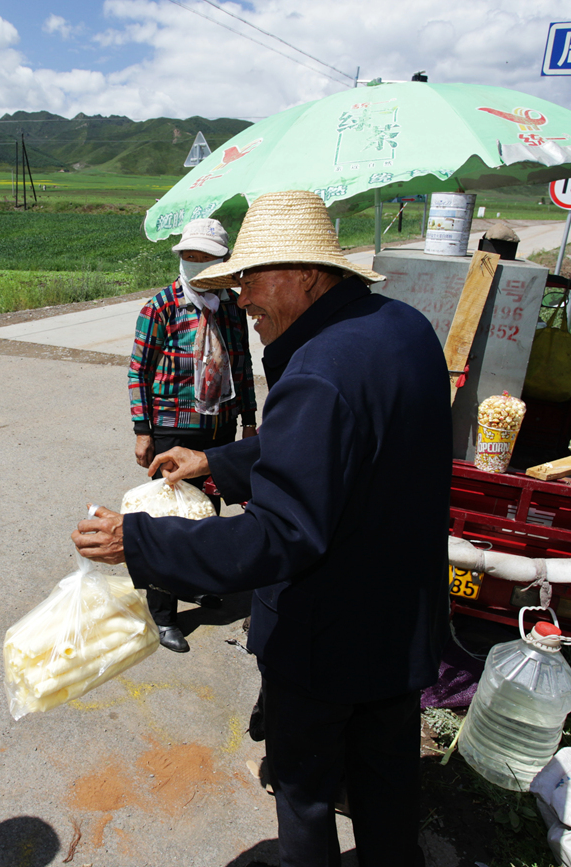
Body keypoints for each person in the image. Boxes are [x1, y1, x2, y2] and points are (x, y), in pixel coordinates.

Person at [76, 191, 452, 867]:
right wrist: (216, 461)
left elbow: (278, 535)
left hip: (328, 637)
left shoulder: (318, 369)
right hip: (400, 625)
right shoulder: (404, 330)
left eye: (249, 279)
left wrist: (139, 541)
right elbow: (337, 447)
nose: (241, 299)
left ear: (305, 274)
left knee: (305, 796)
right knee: (387, 784)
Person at [128, 217, 258, 652]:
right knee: (169, 519)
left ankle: (198, 581)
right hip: (171, 428)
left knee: (207, 514)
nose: (197, 263)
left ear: (223, 261)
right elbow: (138, 372)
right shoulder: (162, 307)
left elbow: (241, 366)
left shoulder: (234, 306)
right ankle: (162, 614)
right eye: (190, 256)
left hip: (219, 430)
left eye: (206, 257)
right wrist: (142, 430)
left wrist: (249, 420)